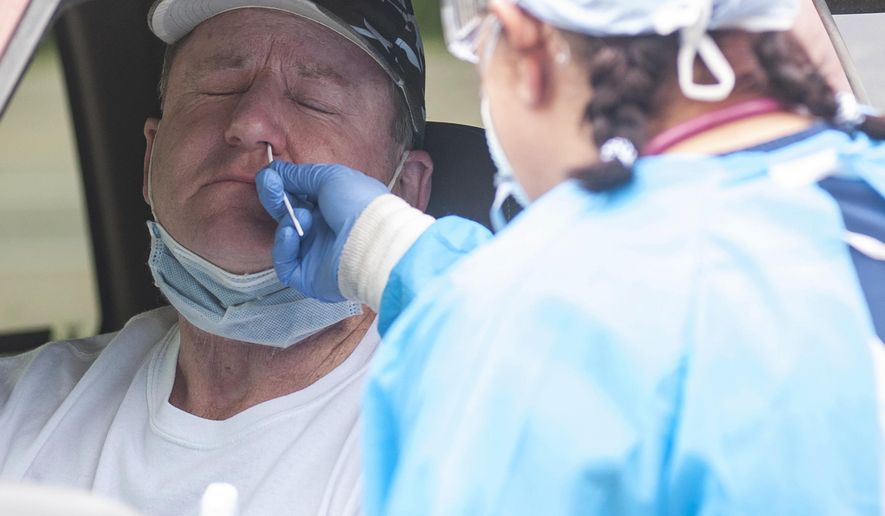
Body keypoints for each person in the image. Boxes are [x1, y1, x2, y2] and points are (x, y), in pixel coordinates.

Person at [256, 0, 885, 513]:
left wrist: (492, 311)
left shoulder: (527, 326)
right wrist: (386, 249)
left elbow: (590, 335)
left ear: (527, 45)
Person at [0, 1, 431, 514]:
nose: (249, 122)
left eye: (314, 99)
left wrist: (393, 252)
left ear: (403, 191)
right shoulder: (21, 407)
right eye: (217, 87)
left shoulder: (448, 429)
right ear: (150, 157)